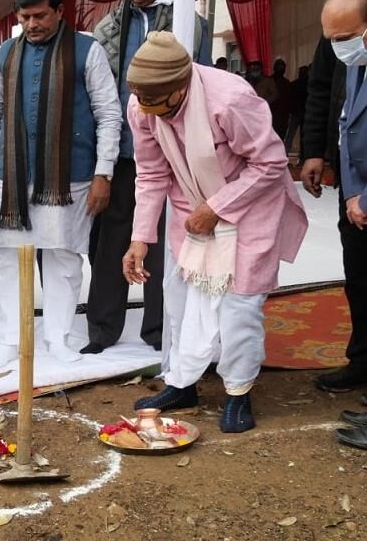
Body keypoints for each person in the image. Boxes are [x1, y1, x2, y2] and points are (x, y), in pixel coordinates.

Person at [123, 32, 307, 433]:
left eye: (156, 103)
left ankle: (239, 392)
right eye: (141, 100)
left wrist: (217, 208)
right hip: (191, 208)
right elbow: (151, 172)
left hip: (250, 206)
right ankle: (182, 384)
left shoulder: (230, 99)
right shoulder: (142, 105)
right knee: (180, 299)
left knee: (239, 308)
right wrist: (140, 238)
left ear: (180, 87)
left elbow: (270, 163)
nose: (148, 111)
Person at [0, 0, 121, 367]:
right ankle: (10, 339)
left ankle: (58, 337)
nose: (31, 24)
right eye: (24, 17)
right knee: (9, 259)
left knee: (63, 257)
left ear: (60, 11)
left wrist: (103, 173)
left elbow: (109, 114)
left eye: (40, 16)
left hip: (71, 176)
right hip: (14, 175)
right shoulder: (7, 52)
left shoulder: (88, 50)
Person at [86, 0, 212, 355]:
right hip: (124, 148)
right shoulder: (110, 25)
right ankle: (102, 329)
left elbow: (201, 81)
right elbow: (99, 91)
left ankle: (159, 328)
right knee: (112, 239)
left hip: (171, 149)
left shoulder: (188, 22)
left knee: (161, 239)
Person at [305, 0, 367, 395]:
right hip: (354, 188)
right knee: (358, 276)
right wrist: (352, 191)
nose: (337, 46)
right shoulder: (349, 48)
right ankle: (362, 361)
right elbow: (338, 112)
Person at [285, 65, 309, 155]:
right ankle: (303, 153)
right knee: (303, 135)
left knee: (290, 134)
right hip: (303, 112)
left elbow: (289, 99)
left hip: (297, 112)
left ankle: (285, 152)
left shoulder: (294, 84)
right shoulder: (309, 85)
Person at [270, 59, 293, 140]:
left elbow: (289, 99)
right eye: (279, 67)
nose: (281, 69)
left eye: (282, 67)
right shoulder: (268, 81)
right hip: (271, 115)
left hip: (282, 116)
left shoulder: (287, 83)